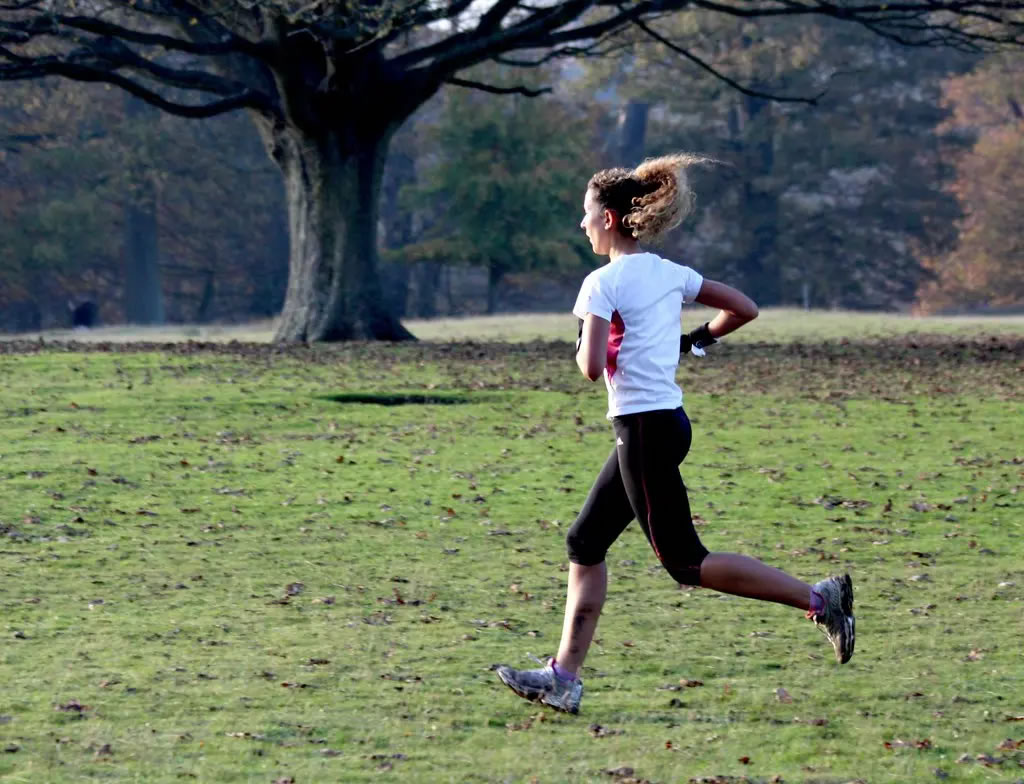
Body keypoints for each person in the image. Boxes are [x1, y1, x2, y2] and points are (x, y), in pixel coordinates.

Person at [495, 154, 855, 715]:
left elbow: (590, 369)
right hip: (666, 425)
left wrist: (592, 339)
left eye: (586, 214)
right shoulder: (669, 273)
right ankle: (562, 677)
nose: (581, 225)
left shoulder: (600, 284)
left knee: (686, 564)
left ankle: (820, 600)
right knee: (584, 544)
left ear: (610, 219)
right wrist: (696, 341)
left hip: (642, 431)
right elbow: (744, 307)